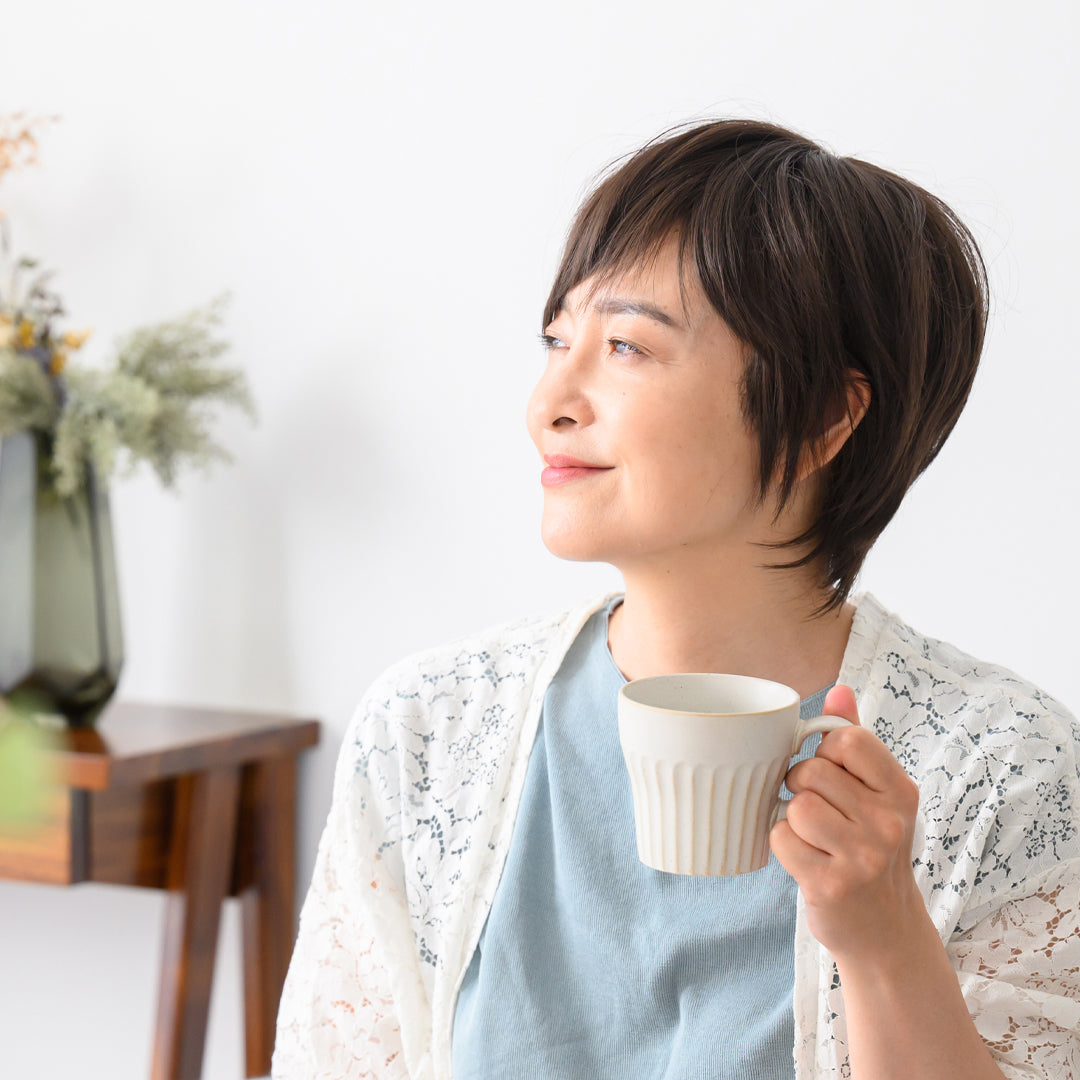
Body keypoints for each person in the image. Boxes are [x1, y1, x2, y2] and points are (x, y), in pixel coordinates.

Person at [271, 118, 1080, 1079]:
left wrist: (885, 939)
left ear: (825, 414)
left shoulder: (1006, 775)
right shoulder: (430, 731)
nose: (551, 402)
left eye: (626, 347)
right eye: (557, 337)